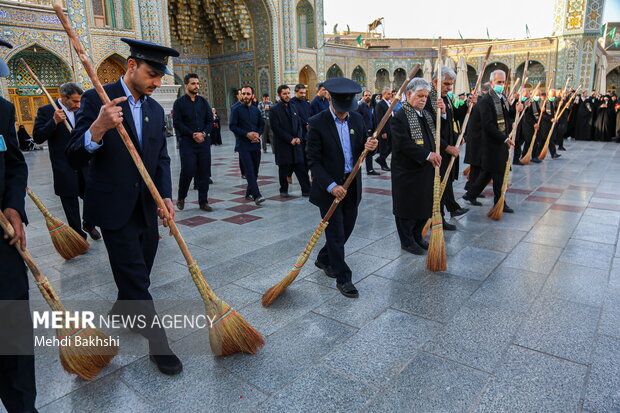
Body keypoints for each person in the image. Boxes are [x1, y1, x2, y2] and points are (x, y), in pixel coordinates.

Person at [66, 38, 182, 375]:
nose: (157, 83)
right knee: (137, 277)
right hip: (113, 207)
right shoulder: (96, 99)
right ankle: (159, 344)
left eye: (160, 77)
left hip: (146, 207)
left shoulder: (154, 108)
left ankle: (122, 308)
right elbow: (74, 155)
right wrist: (99, 126)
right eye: (151, 74)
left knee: (139, 271)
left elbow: (159, 158)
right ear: (131, 66)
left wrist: (166, 197)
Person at [307, 78, 378, 298]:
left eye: (346, 110)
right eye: (340, 110)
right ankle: (343, 277)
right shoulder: (317, 122)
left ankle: (324, 258)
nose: (342, 114)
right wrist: (331, 186)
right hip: (329, 187)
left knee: (346, 228)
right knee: (336, 233)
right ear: (330, 99)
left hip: (352, 185)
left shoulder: (356, 119)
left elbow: (361, 149)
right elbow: (313, 161)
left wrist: (371, 147)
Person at [0, 38, 37, 413]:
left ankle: (23, 405)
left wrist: (13, 206)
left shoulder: (2, 109)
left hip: (2, 242)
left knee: (11, 326)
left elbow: (13, 163)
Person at [33, 82, 101, 241]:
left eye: (80, 101)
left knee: (92, 196)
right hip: (64, 166)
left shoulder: (82, 109)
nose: (78, 105)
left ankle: (89, 224)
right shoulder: (46, 111)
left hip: (84, 163)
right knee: (70, 204)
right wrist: (54, 122)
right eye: (75, 101)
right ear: (63, 97)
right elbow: (37, 137)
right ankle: (78, 235)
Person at [391, 77, 445, 254]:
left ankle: (417, 236)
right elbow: (403, 144)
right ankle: (406, 241)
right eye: (420, 95)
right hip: (407, 170)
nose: (423, 99)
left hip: (424, 169)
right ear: (408, 94)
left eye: (426, 96)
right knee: (407, 207)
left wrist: (442, 113)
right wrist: (428, 155)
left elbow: (436, 135)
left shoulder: (427, 115)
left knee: (423, 205)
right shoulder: (400, 116)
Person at [463, 69, 522, 213]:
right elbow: (488, 125)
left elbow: (508, 117)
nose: (501, 85)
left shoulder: (502, 98)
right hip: (491, 144)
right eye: (499, 82)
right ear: (491, 83)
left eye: (503, 82)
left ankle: (471, 194)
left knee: (489, 173)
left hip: (500, 142)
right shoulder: (486, 101)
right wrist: (505, 138)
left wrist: (516, 109)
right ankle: (499, 202)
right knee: (499, 174)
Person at [425, 66, 469, 229]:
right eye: (447, 84)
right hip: (438, 151)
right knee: (439, 185)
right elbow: (431, 130)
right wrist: (446, 147)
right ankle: (438, 218)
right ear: (436, 82)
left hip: (449, 147)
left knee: (446, 182)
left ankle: (448, 210)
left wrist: (466, 105)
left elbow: (452, 118)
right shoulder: (430, 99)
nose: (450, 88)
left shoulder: (446, 97)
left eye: (451, 84)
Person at [172, 73, 214, 212]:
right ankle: (181, 197)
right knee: (188, 171)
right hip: (187, 143)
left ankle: (203, 201)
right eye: (193, 84)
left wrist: (203, 133)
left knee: (204, 172)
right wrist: (192, 134)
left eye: (197, 83)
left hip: (203, 142)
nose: (196, 86)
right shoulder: (179, 103)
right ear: (186, 85)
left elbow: (210, 121)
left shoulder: (203, 102)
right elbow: (177, 122)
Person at [270, 85, 311, 197]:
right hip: (283, 145)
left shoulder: (293, 107)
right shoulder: (274, 109)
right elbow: (276, 128)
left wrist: (298, 137)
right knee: (283, 168)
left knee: (301, 168)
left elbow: (298, 124)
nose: (287, 96)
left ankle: (306, 190)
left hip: (296, 144)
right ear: (279, 95)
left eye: (288, 93)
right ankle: (283, 190)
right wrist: (290, 139)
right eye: (284, 93)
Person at [229, 85, 265, 205]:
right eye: (243, 94)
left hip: (255, 144)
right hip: (243, 145)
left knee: (255, 171)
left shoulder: (256, 110)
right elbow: (232, 126)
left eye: (248, 94)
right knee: (249, 170)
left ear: (252, 96)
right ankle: (257, 195)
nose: (245, 96)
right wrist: (247, 134)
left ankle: (248, 192)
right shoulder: (236, 109)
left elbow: (261, 125)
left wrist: (257, 135)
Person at [463, 83, 490, 201]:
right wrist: (470, 102)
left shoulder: (481, 101)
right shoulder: (478, 102)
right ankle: (471, 192)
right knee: (476, 168)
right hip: (475, 140)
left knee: (478, 167)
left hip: (481, 140)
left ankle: (472, 189)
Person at [357, 90, 379, 175]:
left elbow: (373, 119)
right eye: (366, 95)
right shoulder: (360, 107)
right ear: (363, 97)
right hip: (364, 132)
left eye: (369, 95)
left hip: (371, 132)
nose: (368, 97)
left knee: (369, 152)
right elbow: (358, 120)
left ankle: (370, 169)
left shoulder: (372, 107)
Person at [374, 86, 393, 171]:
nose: (390, 95)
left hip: (390, 129)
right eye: (388, 94)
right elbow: (380, 119)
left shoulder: (388, 103)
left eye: (390, 93)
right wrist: (382, 132)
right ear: (383, 94)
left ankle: (381, 159)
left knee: (391, 146)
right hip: (385, 130)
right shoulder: (380, 104)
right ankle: (383, 163)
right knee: (383, 147)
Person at [230, 89, 246, 178]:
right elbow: (233, 124)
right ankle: (243, 172)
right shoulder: (235, 107)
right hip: (240, 134)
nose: (243, 96)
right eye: (241, 94)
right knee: (242, 154)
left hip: (249, 134)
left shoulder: (248, 105)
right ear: (237, 96)